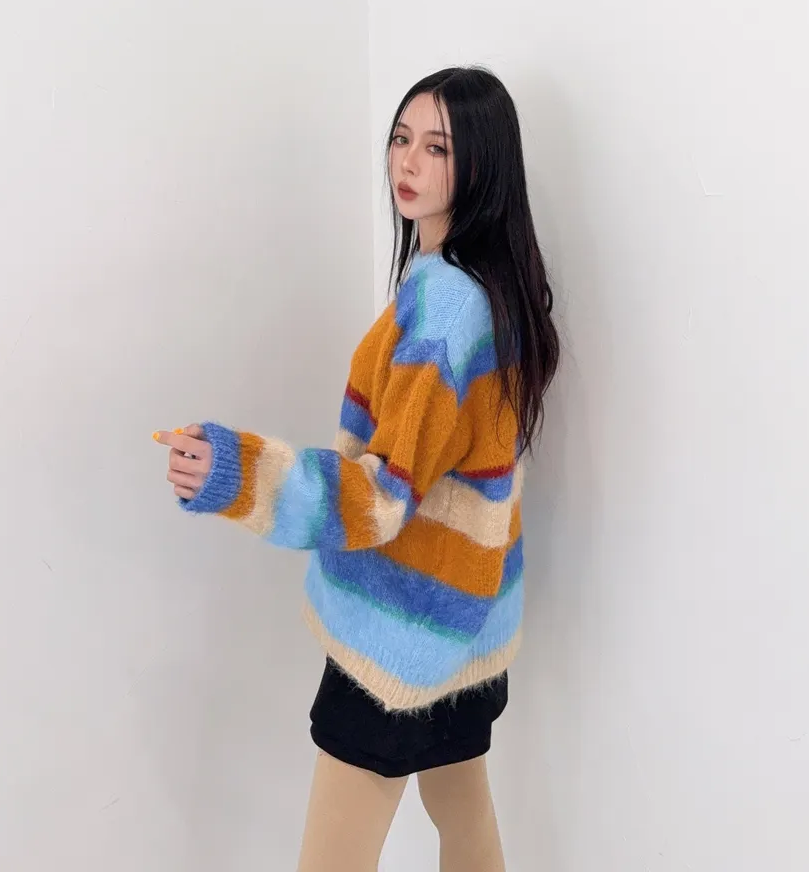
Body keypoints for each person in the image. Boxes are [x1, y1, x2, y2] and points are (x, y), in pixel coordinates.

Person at [154, 65, 560, 872]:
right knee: (464, 818)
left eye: (437, 148)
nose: (407, 162)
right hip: (466, 623)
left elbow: (379, 500)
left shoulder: (447, 307)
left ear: (483, 164)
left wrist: (235, 474)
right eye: (402, 138)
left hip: (398, 634)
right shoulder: (491, 286)